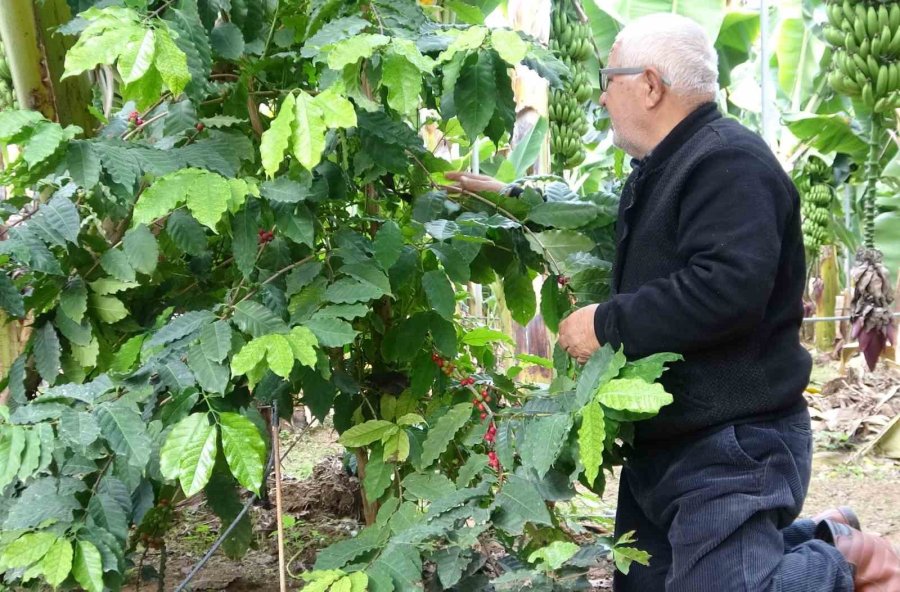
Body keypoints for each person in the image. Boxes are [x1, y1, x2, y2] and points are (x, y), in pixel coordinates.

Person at [446, 13, 900, 592]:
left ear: (651, 85)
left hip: (734, 439)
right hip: (670, 438)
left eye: (609, 78)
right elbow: (604, 216)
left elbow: (726, 289)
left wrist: (607, 324)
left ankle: (846, 559)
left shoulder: (728, 163)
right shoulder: (669, 166)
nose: (602, 96)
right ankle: (810, 540)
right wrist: (515, 197)